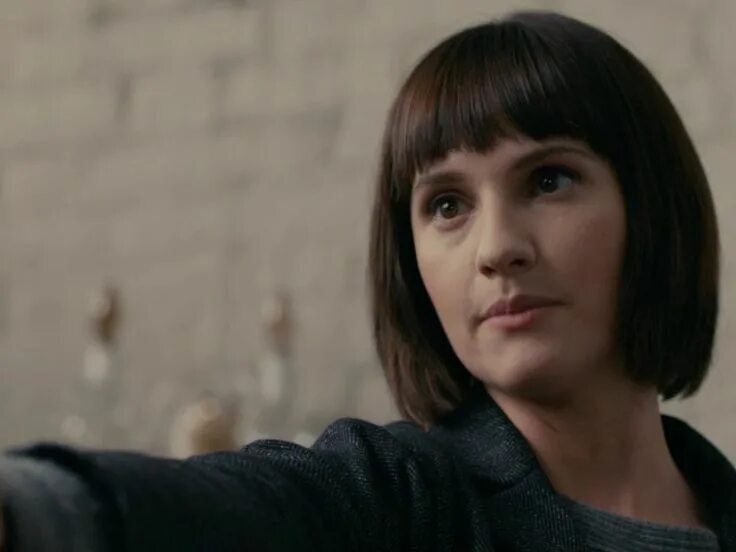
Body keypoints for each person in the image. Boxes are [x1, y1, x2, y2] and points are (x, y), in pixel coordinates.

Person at [0, 10, 734, 551]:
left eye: (548, 180)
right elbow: (245, 509)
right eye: (447, 205)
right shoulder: (397, 499)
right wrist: (34, 511)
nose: (496, 248)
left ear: (653, 209)